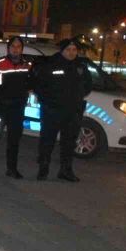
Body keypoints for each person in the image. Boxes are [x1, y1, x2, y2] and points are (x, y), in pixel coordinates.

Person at [33, 37, 92, 182]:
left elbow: (88, 85)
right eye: (68, 50)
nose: (71, 53)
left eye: (74, 50)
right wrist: (47, 103)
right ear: (62, 51)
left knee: (69, 143)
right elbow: (39, 85)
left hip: (73, 112)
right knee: (47, 141)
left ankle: (65, 170)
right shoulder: (50, 64)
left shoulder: (80, 66)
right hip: (52, 111)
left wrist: (76, 98)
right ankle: (43, 169)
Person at [0, 36, 32, 178]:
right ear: (8, 48)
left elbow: (32, 83)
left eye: (18, 47)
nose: (15, 49)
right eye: (13, 46)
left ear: (22, 49)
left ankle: (12, 169)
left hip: (17, 110)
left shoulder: (27, 66)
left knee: (14, 141)